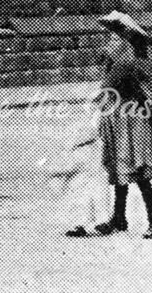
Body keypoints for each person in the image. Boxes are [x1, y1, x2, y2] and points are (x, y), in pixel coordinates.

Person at [95, 11, 152, 239]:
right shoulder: (122, 60)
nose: (110, 38)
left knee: (139, 169)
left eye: (115, 34)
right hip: (121, 119)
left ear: (126, 37)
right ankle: (119, 218)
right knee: (120, 167)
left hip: (133, 121)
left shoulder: (130, 62)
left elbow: (112, 87)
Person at [47, 97, 110, 237]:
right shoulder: (94, 118)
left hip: (93, 153)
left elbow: (94, 133)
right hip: (89, 155)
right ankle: (88, 222)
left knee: (93, 188)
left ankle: (99, 222)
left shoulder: (100, 118)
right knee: (85, 189)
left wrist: (74, 144)